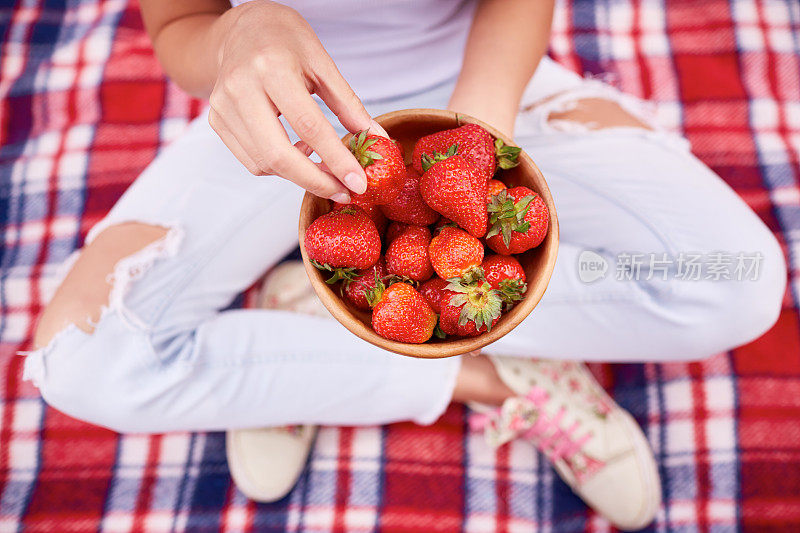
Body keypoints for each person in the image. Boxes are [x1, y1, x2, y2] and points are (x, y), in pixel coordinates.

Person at [25, 0, 786, 529]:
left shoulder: (475, 122)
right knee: (81, 363)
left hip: (480, 88)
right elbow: (179, 26)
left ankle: (316, 318)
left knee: (740, 284)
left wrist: (475, 128)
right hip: (288, 121)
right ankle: (486, 372)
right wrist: (232, 37)